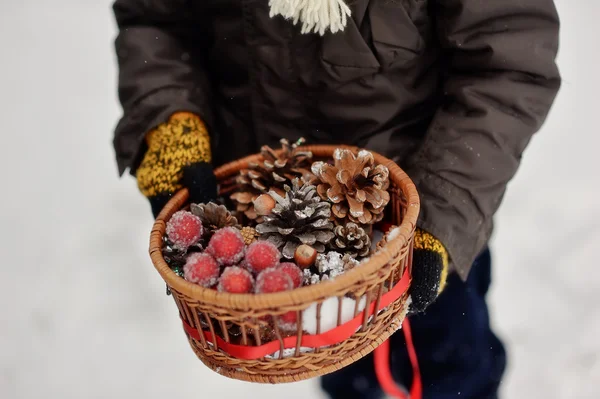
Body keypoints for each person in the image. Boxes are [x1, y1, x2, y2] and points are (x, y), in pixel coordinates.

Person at [112, 1, 560, 398]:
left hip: (417, 223)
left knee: (453, 365)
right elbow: (156, 21)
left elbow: (508, 60)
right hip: (270, 225)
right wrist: (169, 120)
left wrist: (441, 214)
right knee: (347, 375)